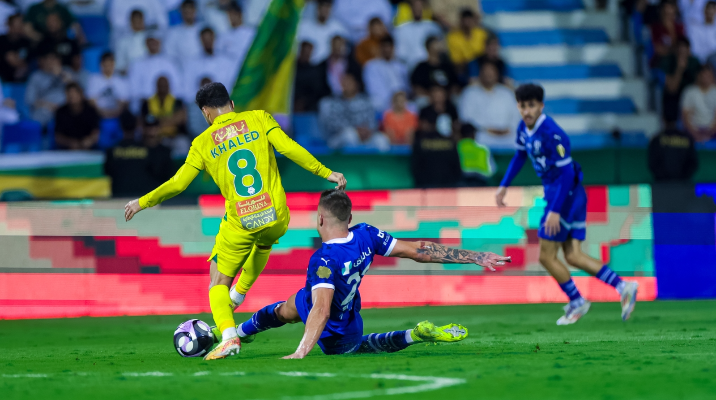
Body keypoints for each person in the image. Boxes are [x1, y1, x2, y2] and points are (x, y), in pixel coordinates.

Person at [123, 82, 347, 361]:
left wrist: (141, 202)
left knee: (217, 282)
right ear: (230, 103)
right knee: (264, 243)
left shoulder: (202, 143)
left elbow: (178, 184)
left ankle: (229, 336)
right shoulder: (259, 118)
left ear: (206, 112)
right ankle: (239, 296)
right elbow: (288, 148)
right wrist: (325, 172)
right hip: (276, 215)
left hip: (242, 220)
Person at [221, 189, 511, 359]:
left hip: (336, 329)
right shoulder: (366, 234)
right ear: (350, 218)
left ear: (319, 218)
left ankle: (413, 335)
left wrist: (301, 351)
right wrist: (476, 256)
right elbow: (420, 251)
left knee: (355, 347)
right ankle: (238, 333)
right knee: (287, 308)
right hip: (339, 306)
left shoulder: (323, 259)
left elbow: (321, 311)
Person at [495, 84, 639, 325]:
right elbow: (520, 156)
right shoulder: (523, 128)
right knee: (572, 255)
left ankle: (577, 301)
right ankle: (623, 286)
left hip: (565, 195)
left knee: (546, 256)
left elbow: (566, 174)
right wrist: (504, 185)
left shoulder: (552, 133)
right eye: (523, 106)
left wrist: (554, 210)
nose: (527, 111)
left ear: (541, 106)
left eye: (532, 105)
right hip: (566, 195)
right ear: (518, 107)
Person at [105, 111, 175, 197]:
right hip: (132, 197)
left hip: (148, 197)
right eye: (148, 127)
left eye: (154, 127)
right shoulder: (144, 148)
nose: (151, 131)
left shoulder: (161, 151)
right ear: (141, 128)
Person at [319, 73, 389, 151]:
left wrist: (368, 131)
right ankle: (351, 163)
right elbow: (331, 124)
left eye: (349, 83)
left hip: (364, 136)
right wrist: (355, 130)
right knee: (350, 135)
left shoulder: (366, 102)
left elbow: (372, 122)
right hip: (338, 138)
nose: (346, 86)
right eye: (343, 83)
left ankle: (378, 163)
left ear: (356, 84)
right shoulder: (332, 103)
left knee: (381, 139)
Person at [459, 60, 521, 149]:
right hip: (482, 134)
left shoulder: (506, 93)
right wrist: (487, 129)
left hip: (507, 134)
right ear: (480, 74)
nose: (488, 75)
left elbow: (516, 115)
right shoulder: (470, 93)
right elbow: (466, 117)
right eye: (485, 72)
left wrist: (507, 129)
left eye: (491, 72)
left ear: (497, 74)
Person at [128, 31, 182, 111]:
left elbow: (176, 86)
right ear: (146, 43)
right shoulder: (137, 64)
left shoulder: (170, 63)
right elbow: (134, 89)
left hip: (167, 104)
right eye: (150, 41)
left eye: (155, 41)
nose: (153, 44)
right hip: (145, 105)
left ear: (160, 42)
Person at [182, 27, 237, 102]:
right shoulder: (192, 63)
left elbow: (232, 85)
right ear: (200, 41)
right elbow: (187, 90)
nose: (207, 42)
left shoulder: (227, 62)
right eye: (205, 40)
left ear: (215, 39)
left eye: (210, 39)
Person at [25, 51, 75, 126]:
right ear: (42, 60)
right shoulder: (35, 77)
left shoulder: (67, 71)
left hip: (66, 107)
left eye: (55, 59)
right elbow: (30, 100)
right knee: (40, 115)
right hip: (46, 109)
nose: (53, 62)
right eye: (50, 59)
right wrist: (49, 105)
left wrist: (61, 74)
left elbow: (77, 92)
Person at [363, 35, 409, 113]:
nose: (387, 50)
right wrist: (393, 101)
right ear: (380, 48)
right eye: (384, 47)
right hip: (382, 105)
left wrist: (400, 100)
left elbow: (406, 88)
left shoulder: (401, 66)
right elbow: (374, 90)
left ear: (393, 48)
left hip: (401, 103)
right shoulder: (371, 66)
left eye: (389, 47)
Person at [393, 0, 442, 70]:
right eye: (415, 7)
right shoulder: (401, 29)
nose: (417, 9)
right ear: (411, 9)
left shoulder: (433, 27)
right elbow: (400, 53)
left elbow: (439, 48)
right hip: (410, 67)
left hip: (430, 66)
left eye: (419, 6)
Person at [661, 37, 701, 122]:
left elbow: (701, 85)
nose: (682, 54)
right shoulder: (668, 61)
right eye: (679, 51)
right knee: (670, 97)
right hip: (675, 96)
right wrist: (679, 69)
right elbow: (672, 88)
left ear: (689, 50)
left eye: (684, 51)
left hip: (692, 95)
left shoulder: (695, 62)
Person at [297, 0, 348, 65]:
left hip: (327, 70)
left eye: (328, 7)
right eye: (323, 6)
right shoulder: (303, 26)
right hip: (305, 67)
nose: (325, 10)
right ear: (317, 8)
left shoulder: (338, 29)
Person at [54, 82, 100, 150]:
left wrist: (89, 141)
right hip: (67, 150)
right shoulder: (60, 112)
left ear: (80, 94)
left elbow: (95, 132)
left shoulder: (91, 110)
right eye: (69, 94)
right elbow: (58, 137)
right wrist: (71, 143)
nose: (72, 96)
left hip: (89, 149)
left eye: (74, 94)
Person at [87, 52, 129, 120]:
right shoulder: (94, 79)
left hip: (117, 117)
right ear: (101, 64)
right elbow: (91, 101)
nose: (108, 67)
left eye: (110, 64)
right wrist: (103, 113)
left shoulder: (121, 81)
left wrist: (115, 113)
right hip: (99, 117)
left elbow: (124, 102)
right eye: (106, 64)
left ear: (114, 64)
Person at [446, 8, 488, 74]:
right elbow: (456, 60)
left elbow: (485, 53)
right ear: (460, 21)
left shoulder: (481, 34)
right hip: (464, 69)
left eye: (469, 20)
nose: (467, 23)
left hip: (481, 66)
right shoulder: (452, 37)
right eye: (465, 20)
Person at [215, 2, 255, 69]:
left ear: (239, 14)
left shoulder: (251, 33)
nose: (230, 18)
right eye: (228, 15)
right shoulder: (223, 37)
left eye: (232, 14)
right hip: (231, 70)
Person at [682, 65, 716, 141]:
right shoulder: (689, 92)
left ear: (713, 76)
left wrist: (710, 133)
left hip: (712, 131)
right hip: (692, 130)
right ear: (698, 76)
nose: (705, 78)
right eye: (703, 75)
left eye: (708, 76)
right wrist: (695, 134)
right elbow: (685, 116)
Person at [294, 41, 331, 112]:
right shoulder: (292, 69)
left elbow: (318, 90)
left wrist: (304, 102)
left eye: (309, 51)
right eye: (305, 51)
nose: (307, 54)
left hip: (309, 106)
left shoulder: (315, 71)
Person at [651, 1, 685, 66]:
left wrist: (671, 29)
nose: (668, 16)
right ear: (661, 12)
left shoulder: (679, 27)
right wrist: (673, 50)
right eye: (666, 13)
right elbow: (658, 49)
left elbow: (682, 46)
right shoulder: (656, 27)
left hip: (677, 57)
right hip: (662, 59)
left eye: (670, 13)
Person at [0, 13, 32, 83]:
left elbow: (27, 63)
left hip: (22, 77)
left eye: (21, 23)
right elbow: (11, 59)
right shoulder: (2, 40)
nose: (19, 26)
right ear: (10, 25)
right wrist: (20, 63)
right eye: (17, 24)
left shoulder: (26, 42)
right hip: (3, 76)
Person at [115, 9, 148, 74]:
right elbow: (120, 65)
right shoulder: (123, 41)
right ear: (130, 22)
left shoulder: (151, 39)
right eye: (135, 21)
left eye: (139, 21)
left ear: (143, 21)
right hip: (130, 76)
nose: (137, 24)